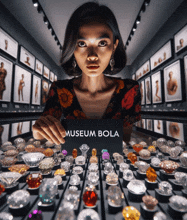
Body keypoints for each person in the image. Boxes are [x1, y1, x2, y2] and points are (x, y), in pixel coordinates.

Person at [32, 2, 141, 145]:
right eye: (82, 44)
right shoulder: (59, 90)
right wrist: (37, 131)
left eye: (102, 43)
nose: (92, 56)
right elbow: (44, 132)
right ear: (73, 48)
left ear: (114, 47)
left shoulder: (129, 90)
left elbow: (125, 142)